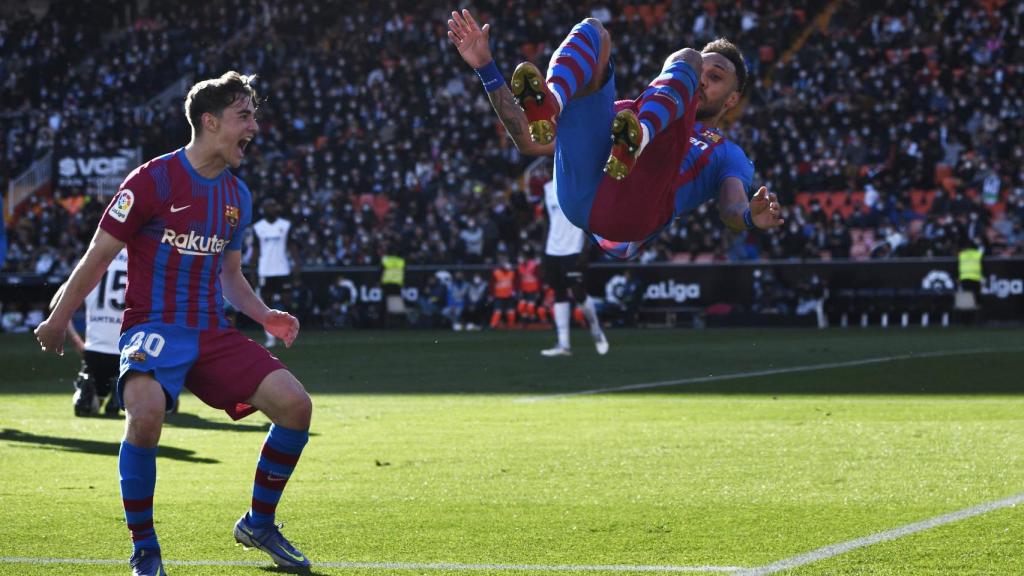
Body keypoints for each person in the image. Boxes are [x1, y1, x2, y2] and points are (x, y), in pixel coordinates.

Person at [34, 72, 313, 575]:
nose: (254, 126)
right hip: (153, 327)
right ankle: (145, 548)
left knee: (295, 405)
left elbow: (230, 274)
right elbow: (98, 256)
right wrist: (59, 318)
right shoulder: (150, 181)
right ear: (210, 121)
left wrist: (263, 314)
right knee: (144, 417)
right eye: (244, 116)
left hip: (212, 330)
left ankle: (259, 522)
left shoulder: (237, 196)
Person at [447, 9, 784, 259]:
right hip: (579, 196)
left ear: (733, 99)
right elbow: (528, 140)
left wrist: (748, 218)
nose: (704, 81)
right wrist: (486, 67)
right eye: (702, 74)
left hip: (632, 215)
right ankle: (554, 103)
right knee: (593, 31)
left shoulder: (727, 153)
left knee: (687, 58)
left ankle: (640, 142)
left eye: (716, 77)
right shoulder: (628, 110)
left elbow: (732, 207)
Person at [540, 179, 608, 357]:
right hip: (553, 251)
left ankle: (595, 328)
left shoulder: (579, 185)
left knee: (577, 292)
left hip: (574, 249)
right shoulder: (547, 189)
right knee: (559, 292)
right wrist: (543, 252)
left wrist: (586, 250)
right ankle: (563, 344)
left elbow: (588, 221)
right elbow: (547, 222)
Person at [57, 248, 128, 417]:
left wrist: (76, 342)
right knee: (157, 395)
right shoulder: (142, 258)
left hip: (94, 350)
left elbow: (57, 304)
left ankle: (90, 394)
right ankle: (121, 392)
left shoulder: (94, 259)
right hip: (128, 349)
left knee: (93, 403)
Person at [251, 198, 297, 347]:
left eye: (274, 205)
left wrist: (297, 266)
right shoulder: (258, 227)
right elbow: (255, 252)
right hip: (265, 271)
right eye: (269, 206)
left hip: (283, 269)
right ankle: (270, 336)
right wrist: (253, 272)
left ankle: (288, 332)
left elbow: (292, 247)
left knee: (287, 302)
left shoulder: (285, 225)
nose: (272, 208)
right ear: (263, 209)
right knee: (267, 305)